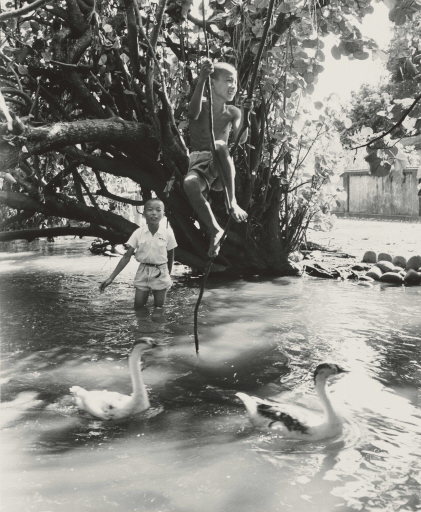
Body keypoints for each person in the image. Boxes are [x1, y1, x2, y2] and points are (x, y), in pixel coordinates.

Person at [184, 60, 250, 257]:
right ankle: (215, 230)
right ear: (213, 83)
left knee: (220, 145)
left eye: (235, 82)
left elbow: (241, 138)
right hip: (198, 163)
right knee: (189, 183)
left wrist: (245, 112)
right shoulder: (201, 104)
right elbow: (192, 113)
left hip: (220, 166)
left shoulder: (232, 111)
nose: (233, 86)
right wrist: (201, 79)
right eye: (228, 81)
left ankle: (232, 202)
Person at [99, 198, 177, 309]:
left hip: (161, 272)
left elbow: (171, 256)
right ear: (144, 213)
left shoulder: (168, 234)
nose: (154, 213)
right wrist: (111, 278)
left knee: (159, 309)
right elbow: (126, 257)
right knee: (138, 308)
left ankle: (158, 321)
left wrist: (168, 275)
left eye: (158, 210)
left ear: (163, 214)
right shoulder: (138, 233)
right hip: (143, 271)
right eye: (150, 209)